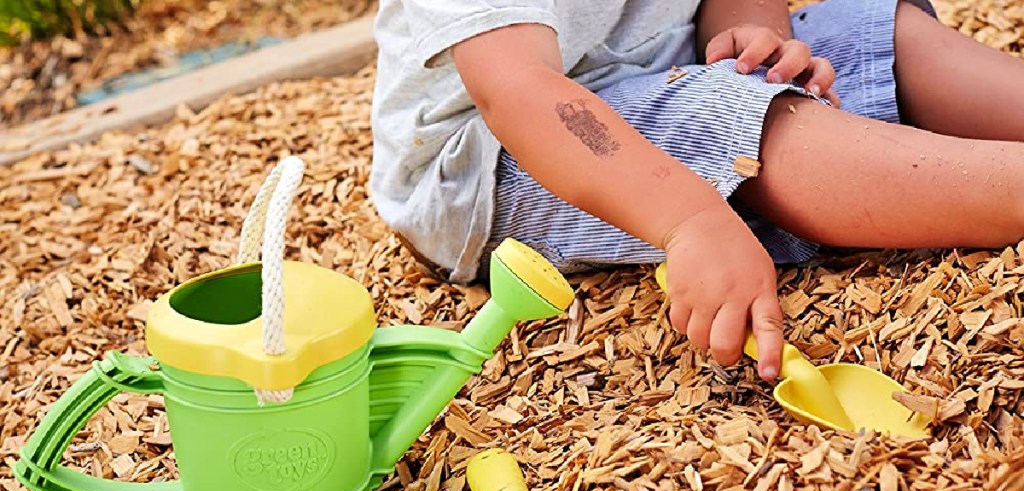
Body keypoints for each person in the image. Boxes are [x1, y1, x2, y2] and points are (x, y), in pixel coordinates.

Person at [368, 0, 1024, 382]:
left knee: (865, 29)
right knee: (726, 115)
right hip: (483, 163)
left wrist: (756, 40)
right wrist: (689, 220)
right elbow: (520, 93)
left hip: (666, 69)